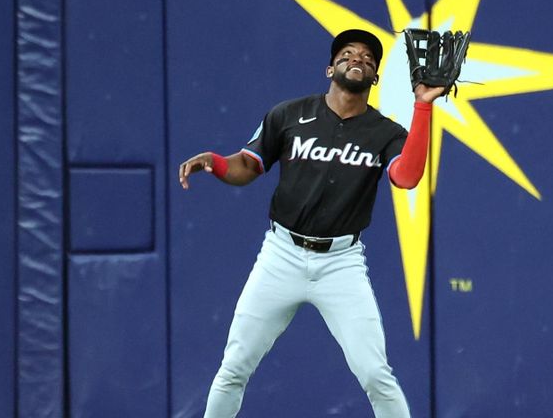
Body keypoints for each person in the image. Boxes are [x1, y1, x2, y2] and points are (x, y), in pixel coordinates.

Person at [178, 29, 445, 418]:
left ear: (375, 77)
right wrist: (216, 162)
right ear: (330, 68)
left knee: (375, 374)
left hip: (341, 263)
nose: (359, 58)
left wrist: (423, 106)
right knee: (234, 367)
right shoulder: (288, 114)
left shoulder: (385, 132)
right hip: (281, 255)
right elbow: (248, 165)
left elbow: (406, 176)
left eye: (369, 58)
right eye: (348, 53)